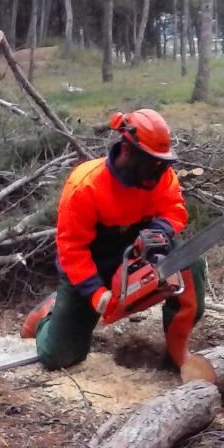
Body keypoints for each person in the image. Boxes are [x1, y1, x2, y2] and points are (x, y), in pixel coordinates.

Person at [20, 109, 205, 373]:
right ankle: (47, 316)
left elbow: (174, 209)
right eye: (149, 162)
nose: (155, 171)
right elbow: (72, 250)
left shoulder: (160, 174)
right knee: (58, 357)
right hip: (92, 264)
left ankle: (178, 349)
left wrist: (160, 231)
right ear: (128, 151)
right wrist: (97, 293)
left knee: (190, 265)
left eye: (159, 163)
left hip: (139, 253)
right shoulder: (86, 186)